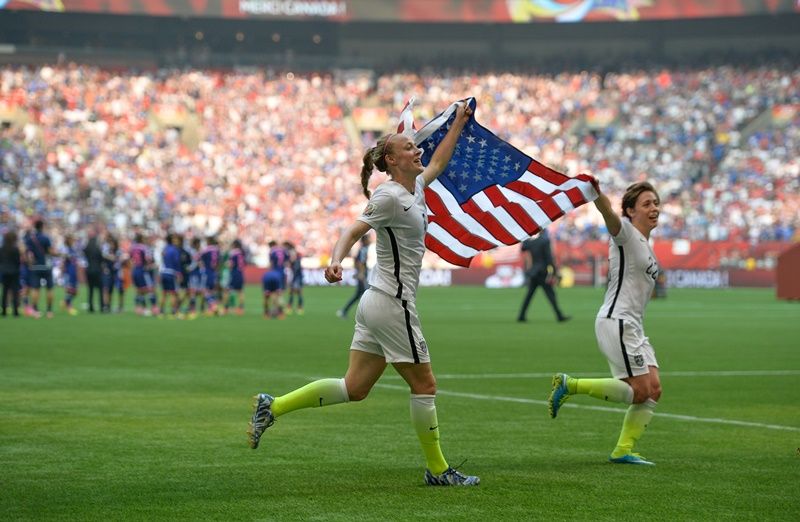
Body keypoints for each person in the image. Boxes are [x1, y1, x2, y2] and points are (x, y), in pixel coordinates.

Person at [248, 102, 480, 486]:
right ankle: (438, 471)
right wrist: (336, 260)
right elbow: (353, 230)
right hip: (393, 304)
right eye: (409, 147)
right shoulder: (388, 196)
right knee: (425, 385)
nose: (418, 149)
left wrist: (457, 122)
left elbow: (438, 161)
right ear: (391, 159)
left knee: (353, 389)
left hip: (376, 302)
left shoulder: (415, 186)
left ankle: (273, 406)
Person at [548, 180, 662, 466]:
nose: (654, 208)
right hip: (617, 322)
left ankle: (624, 450)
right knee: (639, 390)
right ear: (631, 211)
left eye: (656, 203)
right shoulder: (625, 233)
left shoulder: (647, 247)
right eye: (647, 204)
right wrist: (597, 195)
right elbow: (609, 214)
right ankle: (570, 385)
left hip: (633, 326)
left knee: (654, 388)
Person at [516, 229, 570, 323]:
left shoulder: (531, 242)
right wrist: (555, 272)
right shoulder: (545, 241)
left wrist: (527, 237)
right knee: (550, 294)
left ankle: (521, 315)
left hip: (534, 272)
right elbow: (549, 258)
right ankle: (559, 316)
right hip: (542, 272)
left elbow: (523, 248)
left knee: (529, 295)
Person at [24, 219, 55, 319]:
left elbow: (28, 254)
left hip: (35, 266)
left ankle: (36, 310)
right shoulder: (46, 238)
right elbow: (50, 251)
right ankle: (49, 311)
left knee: (35, 289)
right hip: (46, 266)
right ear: (42, 226)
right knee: (49, 289)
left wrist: (30, 263)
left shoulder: (30, 239)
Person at [337, 234, 370, 319]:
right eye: (368, 239)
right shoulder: (363, 250)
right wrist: (361, 273)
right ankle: (365, 315)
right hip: (363, 276)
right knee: (366, 294)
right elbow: (360, 262)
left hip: (363, 275)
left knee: (359, 295)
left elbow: (356, 261)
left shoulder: (363, 249)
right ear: (364, 241)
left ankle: (344, 311)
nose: (370, 240)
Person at [0, 230, 22, 317]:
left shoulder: (2, 249)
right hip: (14, 272)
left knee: (5, 292)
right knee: (15, 291)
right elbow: (18, 261)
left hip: (4, 272)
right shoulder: (15, 249)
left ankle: (4, 311)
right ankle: (15, 311)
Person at [83, 229, 105, 313]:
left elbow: (84, 254)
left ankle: (91, 307)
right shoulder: (97, 248)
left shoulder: (87, 248)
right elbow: (101, 259)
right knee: (100, 289)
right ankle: (102, 307)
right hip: (97, 270)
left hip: (89, 270)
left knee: (90, 289)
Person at [224, 239, 246, 315]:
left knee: (227, 290)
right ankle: (241, 309)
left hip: (234, 273)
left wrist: (226, 264)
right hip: (241, 273)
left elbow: (230, 264)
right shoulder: (242, 253)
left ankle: (226, 308)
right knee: (240, 291)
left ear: (234, 245)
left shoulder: (233, 253)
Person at [61, 234, 80, 316]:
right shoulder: (66, 250)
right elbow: (63, 262)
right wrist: (63, 272)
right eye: (72, 239)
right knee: (70, 290)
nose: (73, 241)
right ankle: (69, 307)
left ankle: (65, 302)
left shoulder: (73, 249)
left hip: (73, 272)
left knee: (75, 291)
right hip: (68, 273)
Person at [284, 241, 304, 315]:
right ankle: (291, 307)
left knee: (298, 292)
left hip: (297, 278)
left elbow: (296, 270)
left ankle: (299, 308)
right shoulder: (294, 260)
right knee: (292, 292)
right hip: (296, 277)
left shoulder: (296, 261)